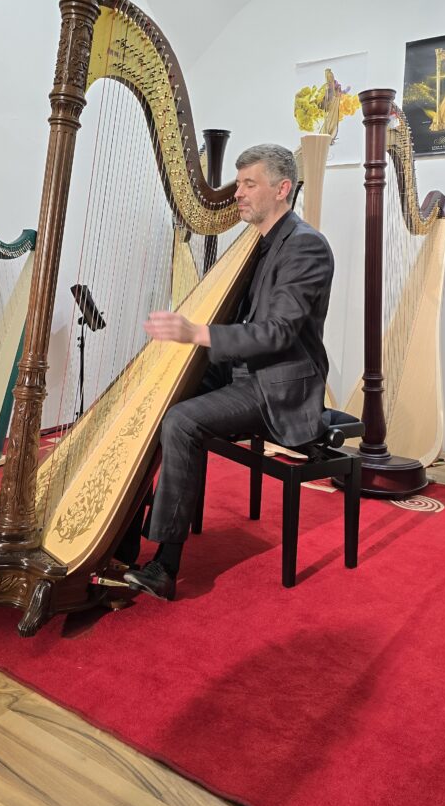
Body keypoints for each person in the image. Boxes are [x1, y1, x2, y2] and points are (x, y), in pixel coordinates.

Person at [123, 143, 334, 601]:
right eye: (238, 184)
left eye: (248, 184)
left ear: (282, 189)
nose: (237, 193)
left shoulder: (306, 247)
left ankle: (165, 565)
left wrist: (195, 332)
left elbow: (278, 333)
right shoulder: (258, 243)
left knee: (182, 420)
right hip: (241, 373)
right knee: (155, 397)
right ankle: (123, 533)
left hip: (278, 385)